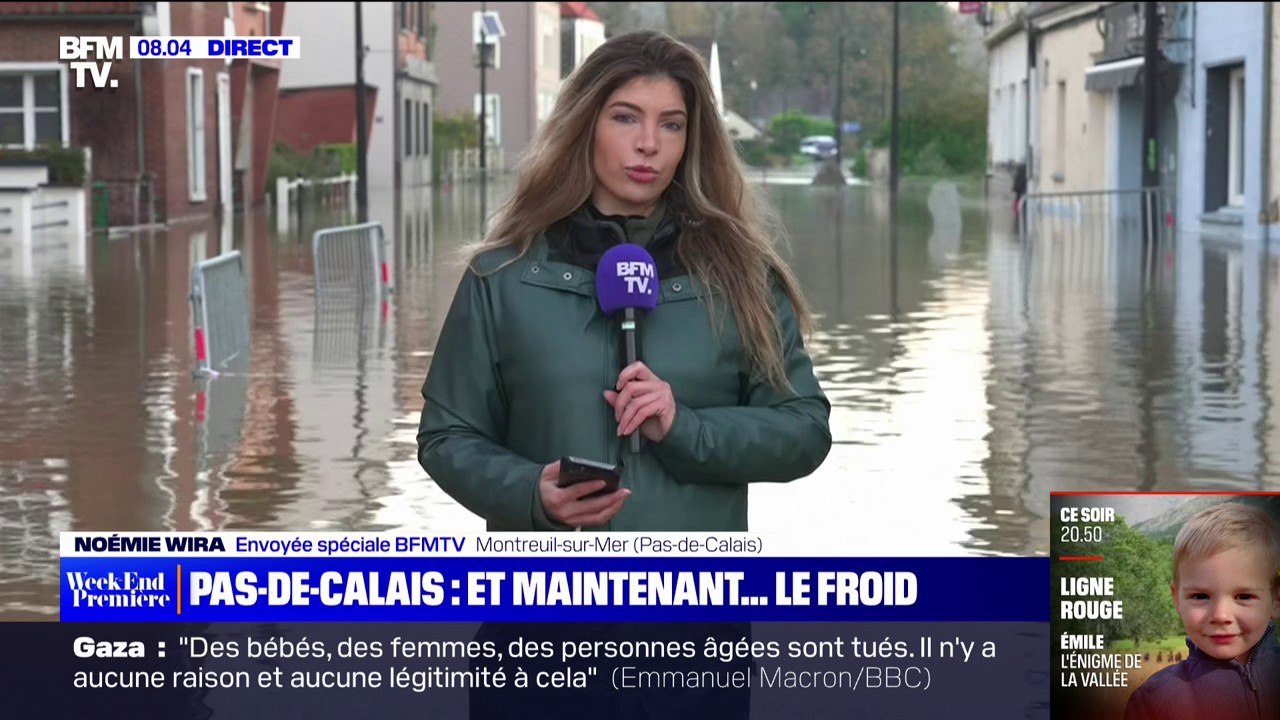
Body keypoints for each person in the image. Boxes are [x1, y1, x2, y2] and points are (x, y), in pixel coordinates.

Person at [416, 30, 832, 533]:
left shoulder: (742, 277)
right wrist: (530, 494)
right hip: (545, 601)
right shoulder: (502, 276)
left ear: (690, 140)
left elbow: (804, 430)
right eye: (625, 117)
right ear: (585, 125)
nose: (648, 144)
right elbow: (446, 437)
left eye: (671, 125)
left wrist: (686, 428)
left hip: (692, 601)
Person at [1124, 502, 1280, 720]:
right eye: (1200, 596)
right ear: (1177, 598)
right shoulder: (1154, 701)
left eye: (1244, 596)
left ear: (1276, 600)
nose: (1220, 615)